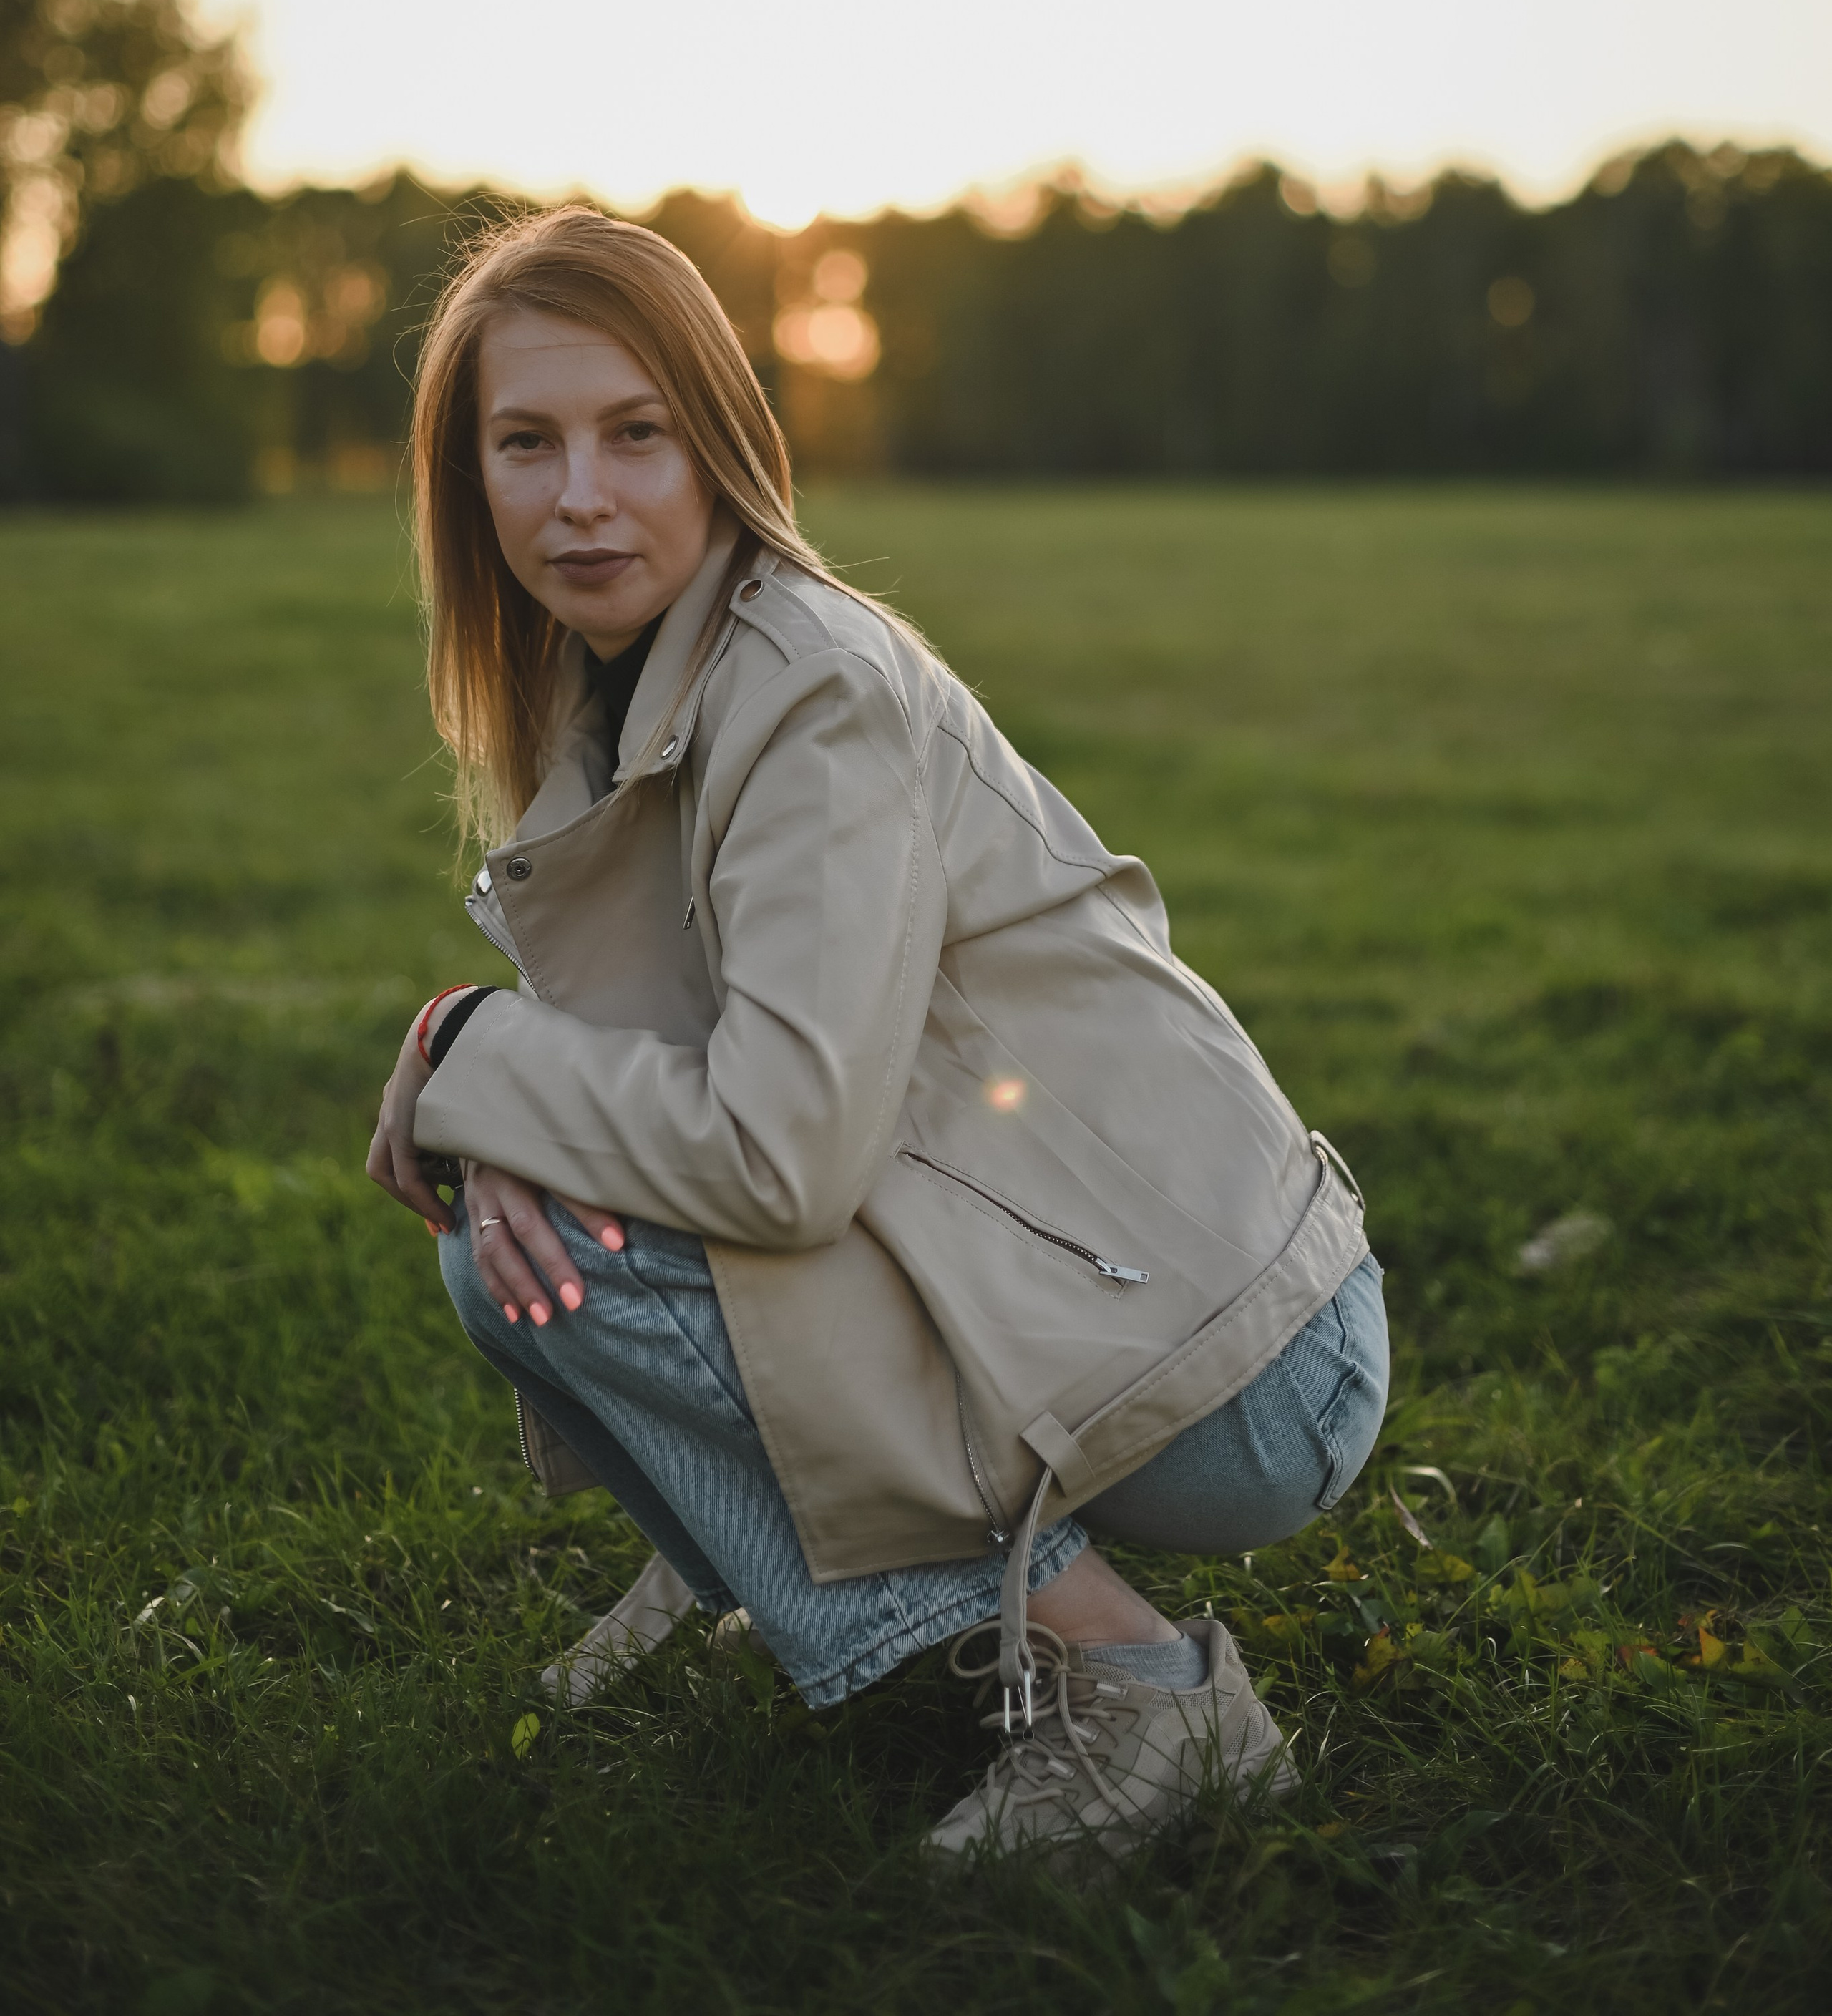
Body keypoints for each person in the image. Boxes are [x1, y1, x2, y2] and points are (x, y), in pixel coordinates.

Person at [366, 205, 1387, 1871]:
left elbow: (779, 1154)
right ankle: (751, 1560)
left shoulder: (808, 687)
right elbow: (668, 1063)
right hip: (1058, 1291)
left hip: (1234, 1357)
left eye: (636, 433)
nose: (579, 494)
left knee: (582, 1252)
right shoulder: (605, 680)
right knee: (513, 1251)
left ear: (719, 440)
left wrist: (468, 1055)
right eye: (525, 441)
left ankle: (1140, 1686)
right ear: (463, 477)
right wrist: (499, 1128)